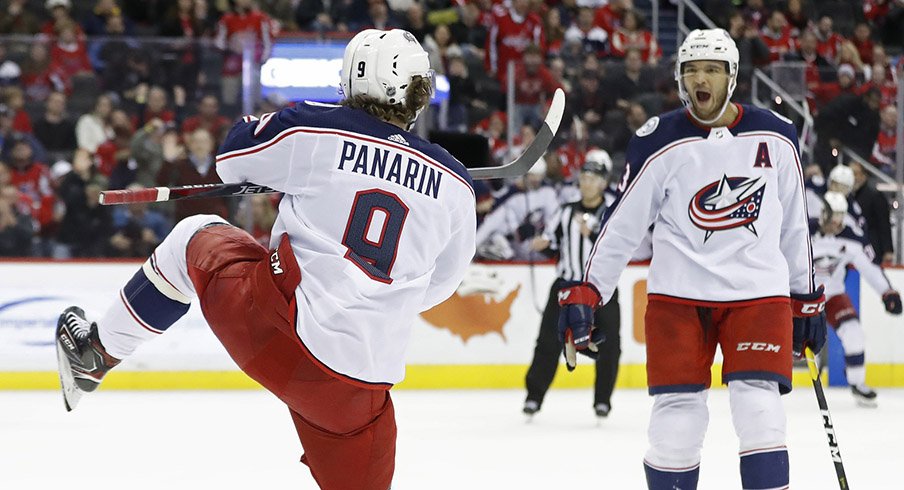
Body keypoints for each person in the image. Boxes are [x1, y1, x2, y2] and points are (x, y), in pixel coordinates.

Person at [55, 28, 477, 490]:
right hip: (356, 392)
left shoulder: (315, 128)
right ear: (419, 91)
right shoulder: (456, 187)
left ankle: (95, 353)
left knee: (195, 234)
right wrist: (376, 301)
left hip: (272, 334)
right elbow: (443, 283)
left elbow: (230, 158)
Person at [556, 29, 827, 489]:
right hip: (678, 298)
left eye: (712, 70)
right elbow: (622, 225)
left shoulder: (778, 136)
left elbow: (794, 225)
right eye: (691, 70)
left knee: (760, 410)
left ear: (732, 76)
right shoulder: (658, 139)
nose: (700, 78)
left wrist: (803, 294)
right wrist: (588, 289)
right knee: (675, 425)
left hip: (758, 296)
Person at [523, 151, 621, 419]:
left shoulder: (613, 212)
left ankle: (603, 400)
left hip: (600, 288)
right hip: (566, 286)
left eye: (592, 179)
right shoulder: (565, 212)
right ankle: (534, 396)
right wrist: (541, 246)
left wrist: (593, 234)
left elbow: (619, 247)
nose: (586, 183)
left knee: (610, 344)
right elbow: (553, 245)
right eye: (583, 178)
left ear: (603, 183)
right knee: (547, 342)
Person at [811, 191, 901, 407]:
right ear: (824, 214)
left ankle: (857, 384)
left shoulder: (851, 238)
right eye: (834, 216)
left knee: (854, 334)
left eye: (841, 216)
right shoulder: (804, 230)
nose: (838, 222)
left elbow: (869, 268)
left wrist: (887, 292)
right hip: (803, 296)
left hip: (832, 295)